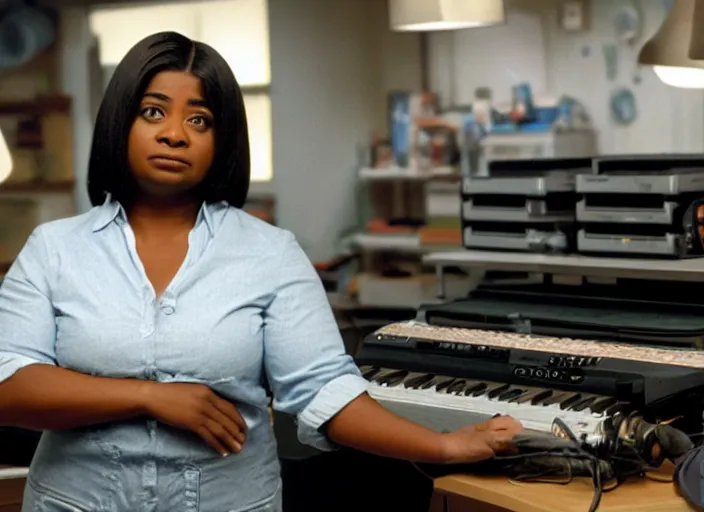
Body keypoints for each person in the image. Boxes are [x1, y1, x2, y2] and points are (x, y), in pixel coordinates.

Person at [0, 31, 523, 511]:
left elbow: (324, 390)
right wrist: (150, 395)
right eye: (153, 112)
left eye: (199, 119)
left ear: (221, 139)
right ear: (121, 120)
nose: (175, 134)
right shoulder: (55, 249)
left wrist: (443, 445)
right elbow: (9, 386)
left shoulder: (269, 253)